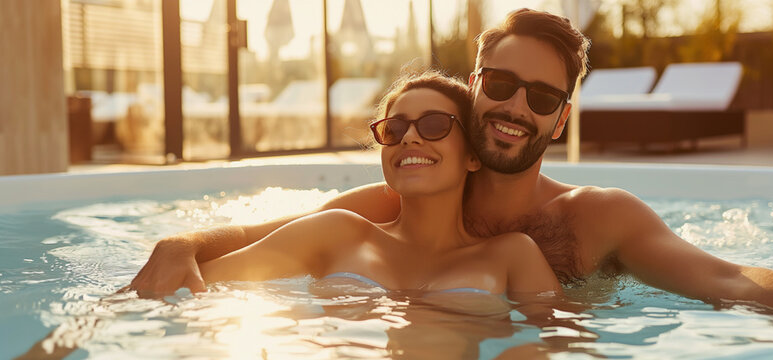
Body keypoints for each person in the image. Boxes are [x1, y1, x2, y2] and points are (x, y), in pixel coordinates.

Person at [129, 8, 773, 325]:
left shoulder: (594, 216)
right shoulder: (408, 194)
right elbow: (270, 237)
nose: (516, 107)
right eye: (503, 84)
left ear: (560, 118)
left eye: (541, 96)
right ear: (475, 82)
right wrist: (185, 244)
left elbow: (729, 281)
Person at [196, 71, 563, 297]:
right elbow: (191, 286)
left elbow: (558, 344)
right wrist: (182, 246)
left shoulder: (512, 255)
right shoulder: (337, 231)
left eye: (434, 125)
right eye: (395, 128)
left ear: (472, 155)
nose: (410, 139)